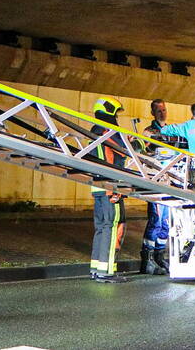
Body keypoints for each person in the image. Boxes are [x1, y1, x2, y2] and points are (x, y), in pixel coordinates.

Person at [89, 96, 128, 283]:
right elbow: (123, 151)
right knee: (113, 227)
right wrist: (139, 143)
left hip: (97, 188)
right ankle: (107, 271)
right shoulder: (110, 131)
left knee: (101, 227)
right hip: (111, 186)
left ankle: (97, 268)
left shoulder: (93, 130)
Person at [140, 98, 172, 275]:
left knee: (165, 222)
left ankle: (160, 257)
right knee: (156, 221)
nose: (162, 113)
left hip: (169, 181)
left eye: (164, 110)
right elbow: (145, 152)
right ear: (153, 113)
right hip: (156, 180)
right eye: (159, 111)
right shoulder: (149, 131)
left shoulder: (170, 130)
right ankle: (148, 259)